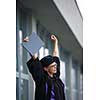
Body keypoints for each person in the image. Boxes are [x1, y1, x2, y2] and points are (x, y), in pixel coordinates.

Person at [24, 34, 65, 100]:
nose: (55, 67)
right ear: (45, 68)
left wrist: (56, 42)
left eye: (55, 65)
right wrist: (29, 44)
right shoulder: (41, 79)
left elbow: (56, 55)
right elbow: (35, 58)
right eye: (52, 66)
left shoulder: (56, 76)